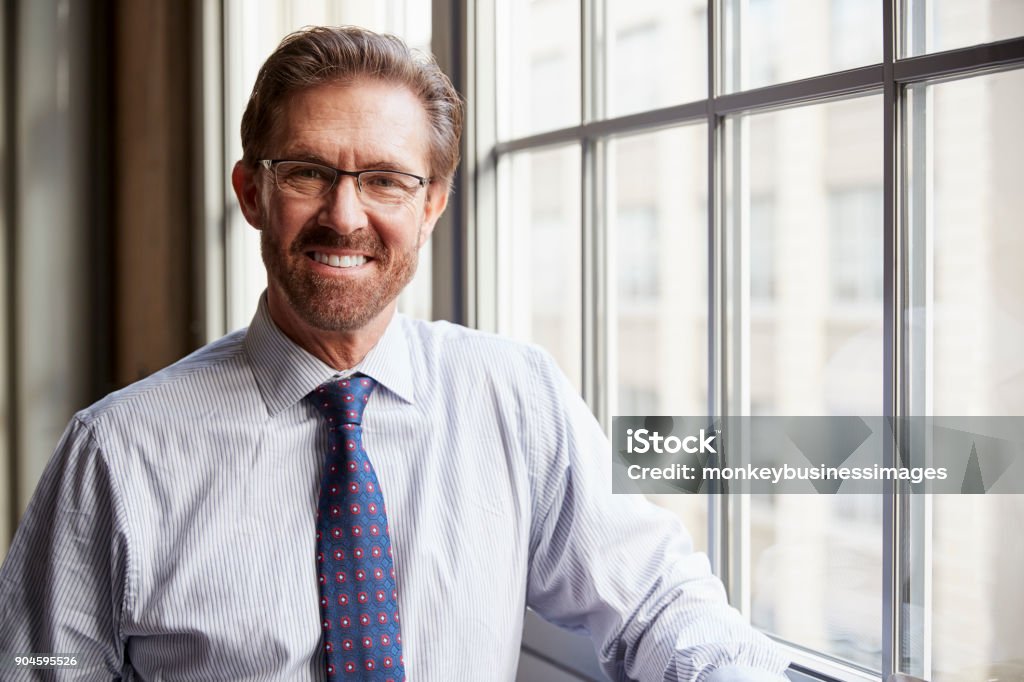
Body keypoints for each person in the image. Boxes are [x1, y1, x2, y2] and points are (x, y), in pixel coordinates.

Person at [0, 26, 790, 681]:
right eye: (308, 172)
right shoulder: (114, 453)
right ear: (251, 192)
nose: (345, 217)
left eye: (384, 181)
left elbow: (657, 602)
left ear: (432, 205)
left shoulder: (515, 397)